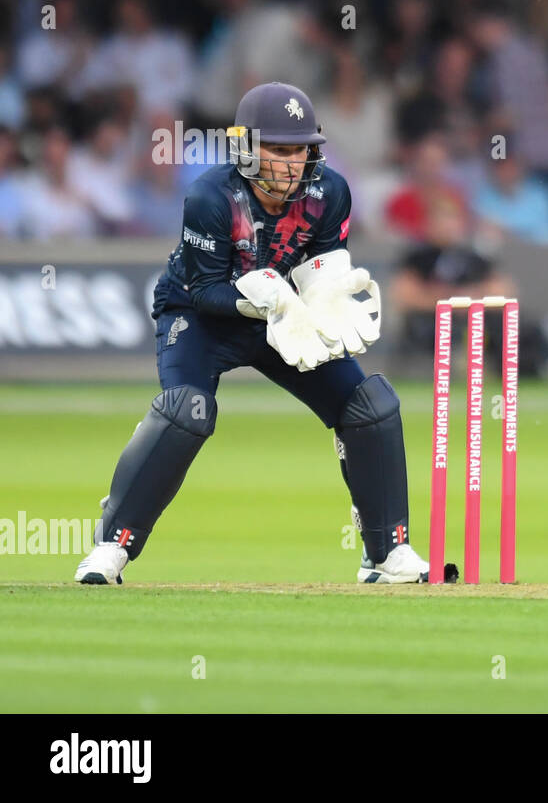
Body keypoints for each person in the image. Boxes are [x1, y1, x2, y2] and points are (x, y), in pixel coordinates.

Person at [75, 82, 429, 585]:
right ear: (244, 147)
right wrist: (259, 300)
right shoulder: (210, 196)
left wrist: (321, 304)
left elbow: (321, 269)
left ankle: (385, 553)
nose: (291, 163)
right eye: (278, 150)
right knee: (187, 412)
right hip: (204, 316)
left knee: (369, 404)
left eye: (299, 149)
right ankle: (112, 544)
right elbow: (203, 291)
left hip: (285, 318)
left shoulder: (330, 193)